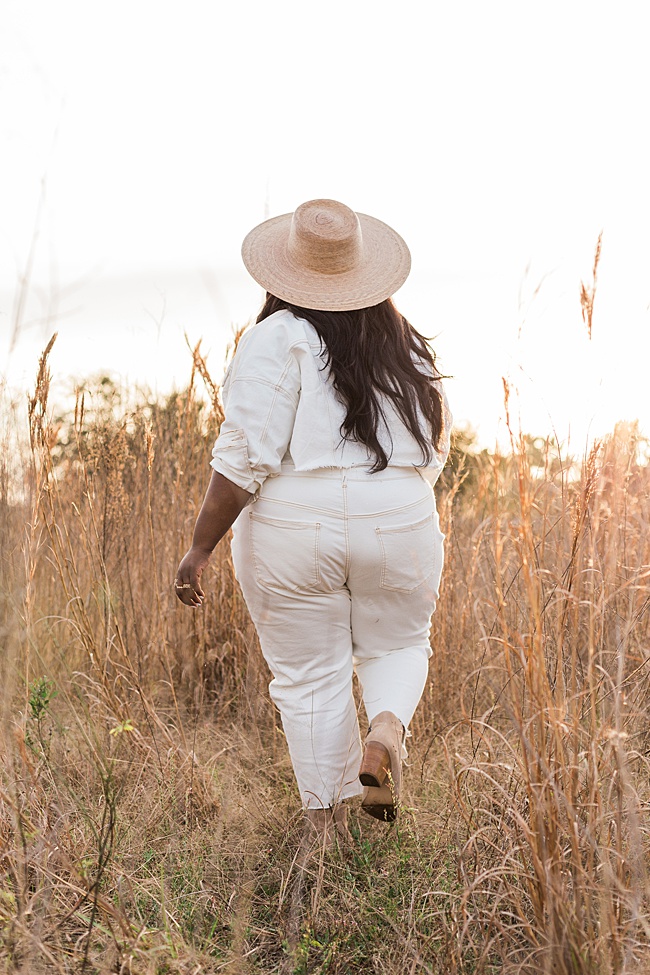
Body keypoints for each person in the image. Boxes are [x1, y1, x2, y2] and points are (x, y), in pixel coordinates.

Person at [174, 199, 451, 843]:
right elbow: (435, 448)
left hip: (295, 520)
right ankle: (385, 730)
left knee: (309, 678)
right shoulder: (405, 342)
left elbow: (246, 454)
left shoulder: (277, 337)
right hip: (400, 510)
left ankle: (326, 837)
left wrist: (200, 546)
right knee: (400, 644)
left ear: (282, 272)